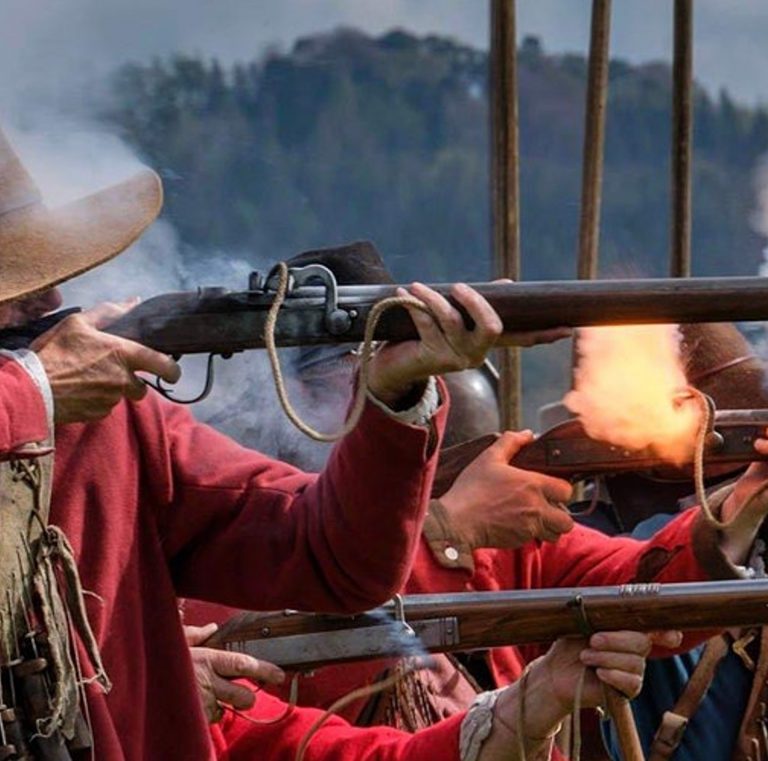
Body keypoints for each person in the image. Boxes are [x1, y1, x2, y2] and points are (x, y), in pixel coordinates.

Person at [0, 126, 521, 760]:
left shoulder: (106, 420)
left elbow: (334, 558)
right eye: (16, 286)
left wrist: (390, 394)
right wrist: (33, 389)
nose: (52, 299)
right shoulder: (44, 392)